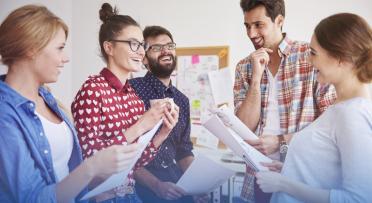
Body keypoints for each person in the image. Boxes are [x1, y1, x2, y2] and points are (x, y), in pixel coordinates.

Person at [0, 4, 141, 203]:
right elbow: (31, 198)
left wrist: (91, 190)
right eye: (60, 48)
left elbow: (67, 171)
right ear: (32, 48)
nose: (65, 59)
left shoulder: (48, 100)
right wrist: (92, 167)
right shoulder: (4, 114)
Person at [256, 12, 372, 203]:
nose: (309, 61)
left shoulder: (353, 115)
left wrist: (283, 184)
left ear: (341, 58)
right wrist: (289, 170)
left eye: (313, 53)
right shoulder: (340, 108)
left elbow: (358, 199)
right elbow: (325, 174)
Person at [71, 3, 179, 203]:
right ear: (109, 47)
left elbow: (135, 162)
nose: (141, 52)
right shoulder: (92, 89)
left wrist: (163, 132)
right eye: (133, 44)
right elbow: (89, 158)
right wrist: (140, 126)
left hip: (130, 194)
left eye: (142, 45)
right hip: (102, 198)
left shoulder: (133, 98)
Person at [233, 0, 337, 202]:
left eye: (258, 25)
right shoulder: (244, 66)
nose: (251, 34)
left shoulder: (310, 57)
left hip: (304, 175)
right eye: (247, 26)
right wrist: (256, 78)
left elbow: (331, 121)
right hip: (259, 176)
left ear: (279, 20)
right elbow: (243, 126)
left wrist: (280, 142)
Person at [129, 26, 209, 203]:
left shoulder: (182, 100)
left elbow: (183, 150)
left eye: (170, 46)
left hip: (175, 184)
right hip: (140, 188)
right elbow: (125, 152)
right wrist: (156, 185)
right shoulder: (131, 90)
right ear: (144, 59)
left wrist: (196, 186)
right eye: (156, 48)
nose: (166, 51)